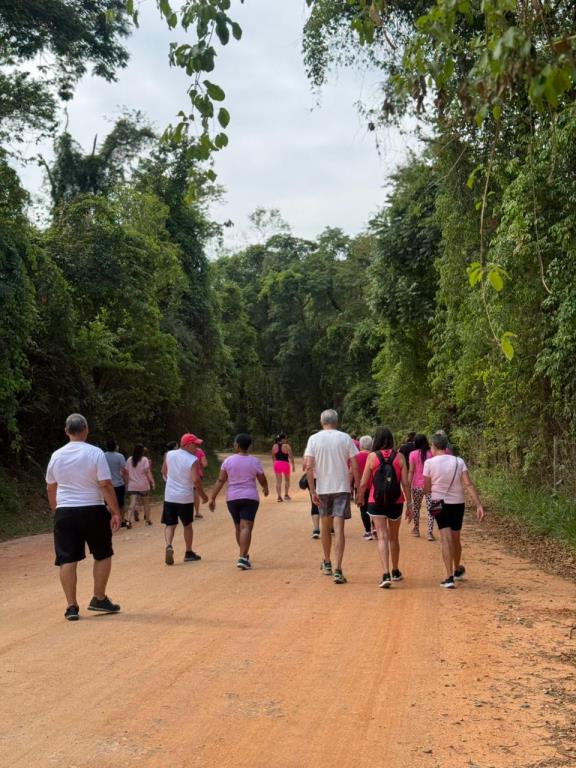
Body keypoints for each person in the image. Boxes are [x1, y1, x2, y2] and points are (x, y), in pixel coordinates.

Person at [46, 413, 121, 621]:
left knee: (67, 558)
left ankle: (71, 606)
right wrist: (115, 511)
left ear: (66, 431)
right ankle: (99, 598)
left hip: (65, 511)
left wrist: (57, 510)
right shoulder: (95, 453)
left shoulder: (56, 455)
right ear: (86, 429)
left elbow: (51, 487)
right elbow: (105, 484)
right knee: (103, 553)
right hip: (92, 509)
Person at [423, 432, 485, 588]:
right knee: (456, 537)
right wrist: (478, 504)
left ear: (435, 446)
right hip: (458, 503)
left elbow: (427, 488)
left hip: (439, 502)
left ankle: (448, 576)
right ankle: (457, 569)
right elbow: (468, 484)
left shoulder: (429, 463)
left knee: (445, 537)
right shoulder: (459, 461)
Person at [304, 409, 360, 585]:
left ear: (322, 422)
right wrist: (357, 488)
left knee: (325, 527)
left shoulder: (314, 439)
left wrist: (313, 491)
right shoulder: (345, 438)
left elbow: (308, 467)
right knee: (339, 529)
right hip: (342, 487)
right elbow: (355, 465)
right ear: (337, 422)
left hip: (323, 488)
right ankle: (338, 569)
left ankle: (327, 562)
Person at [357, 427, 412, 588]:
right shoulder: (400, 457)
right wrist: (410, 503)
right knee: (394, 537)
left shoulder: (372, 457)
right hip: (396, 502)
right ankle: (395, 570)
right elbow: (405, 483)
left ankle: (385, 573)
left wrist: (360, 497)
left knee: (382, 536)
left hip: (376, 501)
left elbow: (364, 482)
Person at [208, 433, 269, 569]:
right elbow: (261, 477)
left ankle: (243, 554)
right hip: (250, 497)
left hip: (232, 498)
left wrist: (212, 497)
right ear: (249, 446)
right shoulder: (254, 461)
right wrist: (265, 488)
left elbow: (221, 480)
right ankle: (242, 556)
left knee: (238, 527)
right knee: (246, 526)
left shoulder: (228, 461)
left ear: (236, 445)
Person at [161, 433, 208, 565]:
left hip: (169, 496)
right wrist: (203, 496)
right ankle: (188, 552)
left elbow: (163, 471)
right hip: (185, 497)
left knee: (170, 524)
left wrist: (170, 483)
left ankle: (169, 545)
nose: (197, 447)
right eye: (195, 444)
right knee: (187, 525)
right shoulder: (192, 459)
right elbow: (196, 481)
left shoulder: (169, 455)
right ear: (188, 444)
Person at [408, 433, 434, 541]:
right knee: (431, 509)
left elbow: (411, 471)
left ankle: (416, 529)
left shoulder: (413, 454)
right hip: (430, 486)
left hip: (417, 486)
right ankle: (429, 533)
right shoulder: (432, 454)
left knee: (416, 508)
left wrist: (408, 485)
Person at [125, 444, 154, 528]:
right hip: (143, 485)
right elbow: (147, 472)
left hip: (132, 485)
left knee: (132, 503)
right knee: (146, 503)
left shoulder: (129, 459)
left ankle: (128, 521)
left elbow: (126, 473)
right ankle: (147, 520)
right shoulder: (144, 459)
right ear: (142, 451)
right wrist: (152, 481)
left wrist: (127, 483)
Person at [104, 439, 127, 526]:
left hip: (107, 484)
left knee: (107, 503)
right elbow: (124, 470)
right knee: (121, 503)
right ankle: (122, 520)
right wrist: (126, 481)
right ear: (115, 446)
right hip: (118, 483)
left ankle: (110, 519)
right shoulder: (120, 456)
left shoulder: (103, 456)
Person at [355, 435, 374, 540]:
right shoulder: (375, 455)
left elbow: (352, 472)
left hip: (361, 486)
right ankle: (375, 527)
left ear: (360, 445)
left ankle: (368, 531)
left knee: (363, 508)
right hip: (374, 486)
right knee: (374, 507)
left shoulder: (356, 456)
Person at [272, 432, 295, 502]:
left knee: (278, 481)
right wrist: (293, 465)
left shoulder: (274, 446)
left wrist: (275, 464)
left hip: (277, 463)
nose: (286, 440)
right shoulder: (287, 446)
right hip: (285, 464)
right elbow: (291, 457)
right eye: (285, 438)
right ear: (282, 439)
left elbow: (273, 457)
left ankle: (279, 497)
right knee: (287, 480)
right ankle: (286, 495)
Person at [302, 456, 320, 538]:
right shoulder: (328, 446)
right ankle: (331, 527)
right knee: (328, 502)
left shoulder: (309, 450)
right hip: (326, 479)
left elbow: (305, 466)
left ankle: (316, 529)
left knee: (314, 503)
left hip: (313, 478)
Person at [194, 444, 209, 519]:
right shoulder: (199, 451)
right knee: (196, 493)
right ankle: (197, 513)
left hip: (186, 475)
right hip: (197, 474)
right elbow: (205, 464)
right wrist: (200, 466)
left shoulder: (184, 452)